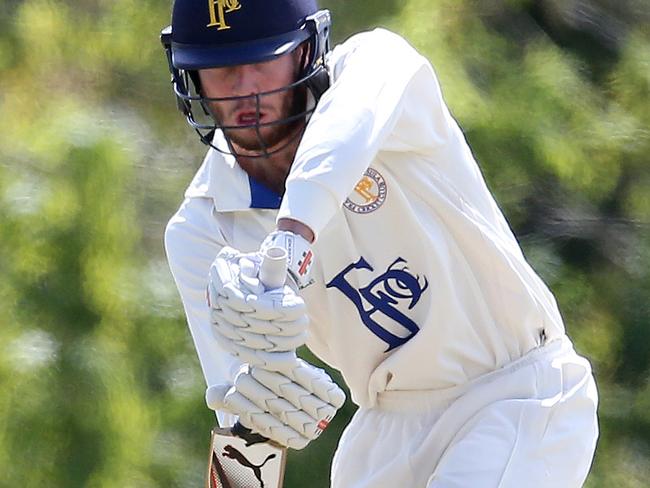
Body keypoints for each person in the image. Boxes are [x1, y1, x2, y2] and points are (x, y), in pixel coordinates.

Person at [161, 0, 599, 486]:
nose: (244, 88)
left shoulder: (378, 68)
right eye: (220, 70)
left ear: (306, 51)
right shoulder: (201, 230)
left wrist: (288, 244)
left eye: (261, 60)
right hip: (384, 431)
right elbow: (245, 413)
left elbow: (338, 139)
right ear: (191, 81)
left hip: (514, 392)